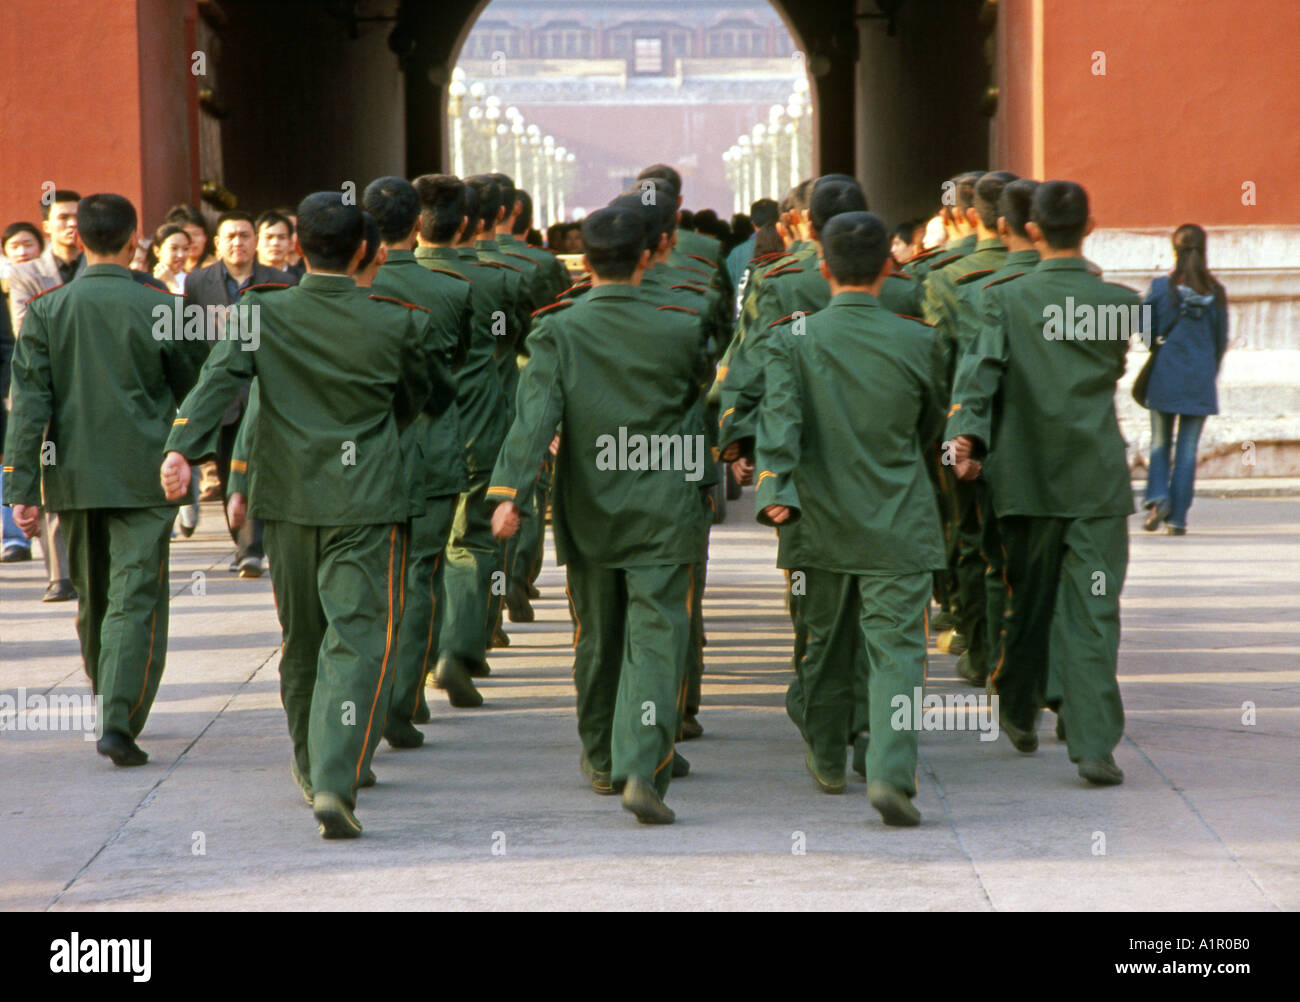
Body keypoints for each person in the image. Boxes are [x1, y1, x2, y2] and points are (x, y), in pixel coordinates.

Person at [162, 191, 451, 838]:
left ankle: (309, 763)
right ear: (366, 253)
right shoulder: (397, 319)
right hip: (368, 498)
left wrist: (181, 446)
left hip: (287, 498)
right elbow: (426, 397)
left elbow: (217, 382)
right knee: (357, 636)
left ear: (296, 246)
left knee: (304, 638)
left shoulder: (261, 312)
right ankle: (333, 775)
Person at [487, 204, 710, 825]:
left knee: (596, 633)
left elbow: (535, 419)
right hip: (666, 506)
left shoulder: (559, 329)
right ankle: (644, 766)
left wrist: (508, 494)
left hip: (590, 506)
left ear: (583, 262)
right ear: (649, 255)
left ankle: (601, 758)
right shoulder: (686, 322)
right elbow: (700, 403)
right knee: (658, 636)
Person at [754, 211, 944, 825]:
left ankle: (828, 752)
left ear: (824, 268)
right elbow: (933, 431)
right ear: (890, 268)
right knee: (898, 652)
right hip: (899, 520)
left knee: (824, 643)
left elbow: (780, 421)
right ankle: (890, 772)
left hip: (818, 518)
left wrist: (775, 487)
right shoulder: (921, 340)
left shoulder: (791, 337)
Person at [947, 180, 1138, 786]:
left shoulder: (1003, 299)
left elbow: (980, 376)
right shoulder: (1122, 301)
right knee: (1094, 609)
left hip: (1025, 473)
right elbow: (1116, 368)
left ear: (1032, 231)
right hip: (1095, 475)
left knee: (1025, 598)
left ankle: (1018, 704)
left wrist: (967, 440)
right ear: (1091, 226)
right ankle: (1092, 741)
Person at [4, 193, 203, 765]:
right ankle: (118, 716)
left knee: (93, 597)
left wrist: (20, 489)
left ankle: (107, 696)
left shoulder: (47, 309)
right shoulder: (161, 303)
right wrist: (191, 451)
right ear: (136, 237)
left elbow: (29, 404)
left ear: (81, 240)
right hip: (148, 472)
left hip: (73, 476)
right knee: (135, 594)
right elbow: (195, 385)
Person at [362, 175, 472, 744]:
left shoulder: (353, 290)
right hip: (431, 450)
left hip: (361, 457)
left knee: (364, 585)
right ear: (417, 226)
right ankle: (402, 704)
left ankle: (364, 704)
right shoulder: (452, 290)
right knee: (420, 577)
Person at [412, 174, 516, 704]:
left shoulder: (385, 281)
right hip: (479, 424)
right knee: (472, 545)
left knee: (417, 558)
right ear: (473, 225)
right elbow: (506, 346)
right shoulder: (495, 282)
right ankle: (457, 649)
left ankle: (414, 669)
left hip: (415, 438)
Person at [922, 170, 1018, 677]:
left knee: (967, 534)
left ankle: (974, 640)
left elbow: (935, 367)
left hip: (956, 431)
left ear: (961, 214)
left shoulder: (943, 277)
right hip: (1026, 435)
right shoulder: (1048, 276)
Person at [184, 210, 294, 578]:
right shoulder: (198, 282)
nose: (238, 242)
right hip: (225, 395)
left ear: (256, 241)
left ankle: (252, 549)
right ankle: (242, 542)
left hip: (268, 391)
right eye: (230, 236)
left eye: (245, 235)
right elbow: (192, 337)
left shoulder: (281, 280)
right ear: (217, 243)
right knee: (231, 465)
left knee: (262, 467)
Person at [7, 189, 85, 603]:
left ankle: (88, 564)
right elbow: (24, 329)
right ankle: (60, 575)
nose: (72, 224)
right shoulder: (26, 273)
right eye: (64, 217)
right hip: (45, 394)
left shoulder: (101, 267)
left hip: (93, 395)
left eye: (78, 216)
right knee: (49, 476)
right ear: (47, 225)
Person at [1140, 224, 1229, 536]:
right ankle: (1178, 518)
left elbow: (1146, 332)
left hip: (1165, 374)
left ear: (1174, 250)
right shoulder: (1216, 292)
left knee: (1160, 442)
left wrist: (1162, 349)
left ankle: (1158, 498)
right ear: (1204, 249)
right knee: (1188, 448)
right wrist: (1206, 370)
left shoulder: (1161, 288)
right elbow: (1221, 342)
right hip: (1200, 380)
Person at [163, 204, 213, 272]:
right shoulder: (164, 270)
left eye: (196, 234)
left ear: (205, 237)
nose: (191, 240)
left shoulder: (215, 269)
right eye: (186, 235)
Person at [147, 223, 191, 294]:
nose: (181, 255)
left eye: (185, 249)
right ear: (157, 251)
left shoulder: (192, 282)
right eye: (174, 248)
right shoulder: (144, 280)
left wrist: (171, 283)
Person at [254, 209, 296, 275]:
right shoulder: (245, 278)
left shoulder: (300, 280)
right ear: (255, 241)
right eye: (269, 237)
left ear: (290, 242)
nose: (275, 243)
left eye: (282, 237)